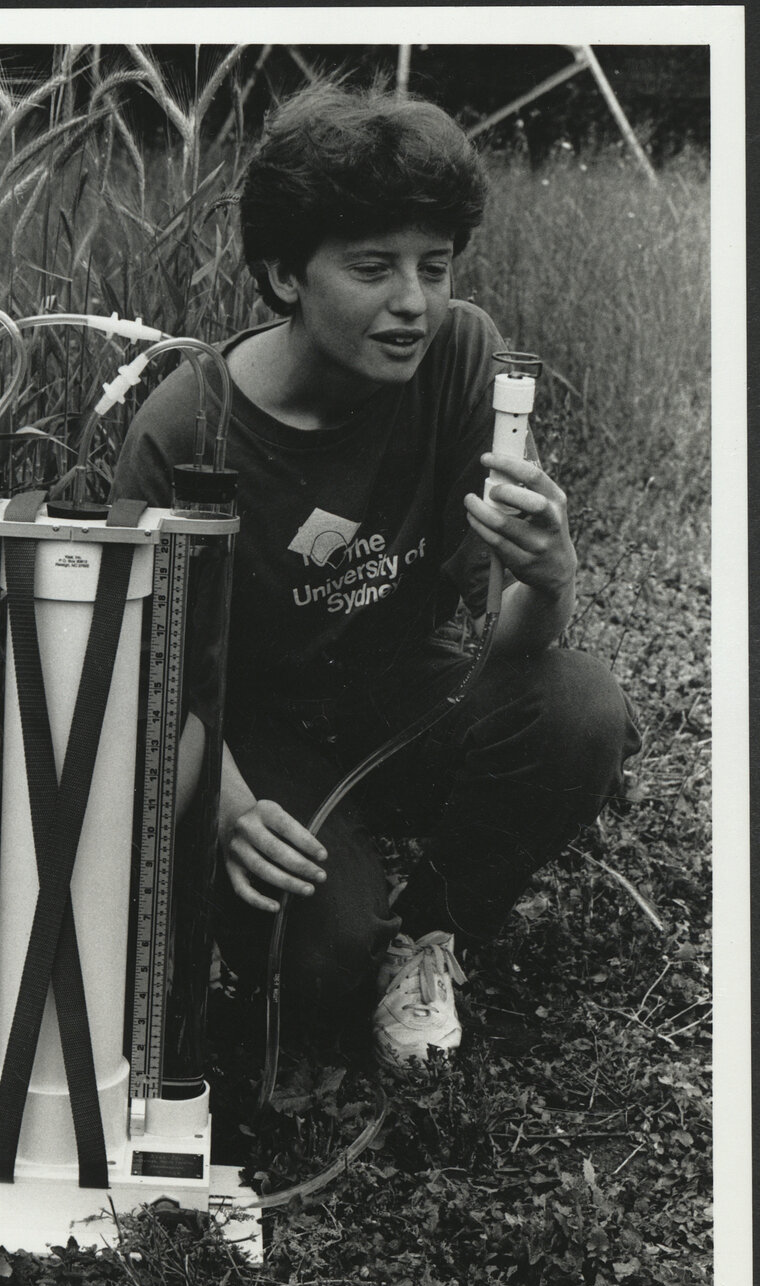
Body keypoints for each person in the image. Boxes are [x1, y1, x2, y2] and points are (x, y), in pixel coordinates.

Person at [110, 80, 641, 1065]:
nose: (412, 303)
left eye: (433, 267)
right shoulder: (188, 427)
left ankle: (430, 930)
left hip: (400, 689)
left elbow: (510, 648)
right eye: (371, 267)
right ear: (281, 277)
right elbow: (159, 681)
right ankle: (335, 908)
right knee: (321, 975)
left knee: (579, 709)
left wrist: (550, 579)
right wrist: (227, 813)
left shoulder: (461, 355)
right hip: (251, 732)